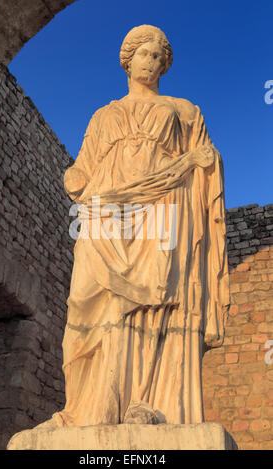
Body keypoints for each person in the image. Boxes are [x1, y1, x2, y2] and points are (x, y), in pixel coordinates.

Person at [41, 24, 230, 428]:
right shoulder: (104, 114)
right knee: (87, 298)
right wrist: (72, 178)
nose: (154, 61)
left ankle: (147, 402)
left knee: (154, 303)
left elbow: (206, 161)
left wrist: (204, 163)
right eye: (147, 53)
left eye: (161, 56)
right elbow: (84, 167)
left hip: (164, 208)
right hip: (106, 212)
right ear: (128, 59)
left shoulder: (184, 110)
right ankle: (85, 409)